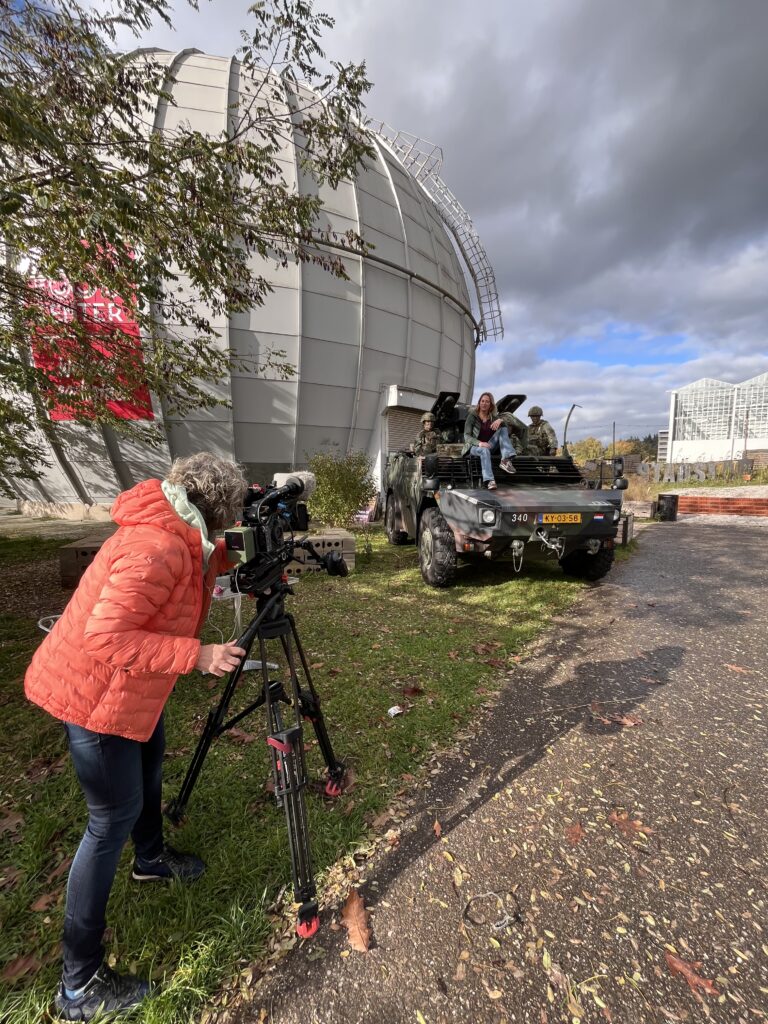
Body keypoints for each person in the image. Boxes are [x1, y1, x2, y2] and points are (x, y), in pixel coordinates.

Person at [24, 453, 248, 1022]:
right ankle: (79, 984)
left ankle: (149, 859)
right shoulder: (158, 546)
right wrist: (197, 655)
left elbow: (187, 572)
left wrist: (229, 554)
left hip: (129, 694)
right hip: (97, 699)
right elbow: (107, 636)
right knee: (108, 823)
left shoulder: (174, 529)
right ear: (213, 507)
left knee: (149, 774)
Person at [462, 391, 516, 489]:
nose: (484, 403)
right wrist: (480, 443)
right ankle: (489, 480)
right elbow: (467, 436)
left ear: (490, 405)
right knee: (484, 450)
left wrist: (501, 420)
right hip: (474, 447)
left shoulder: (493, 418)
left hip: (489, 445)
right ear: (479, 403)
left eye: (487, 401)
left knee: (503, 429)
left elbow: (507, 429)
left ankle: (505, 460)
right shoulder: (472, 417)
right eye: (482, 401)